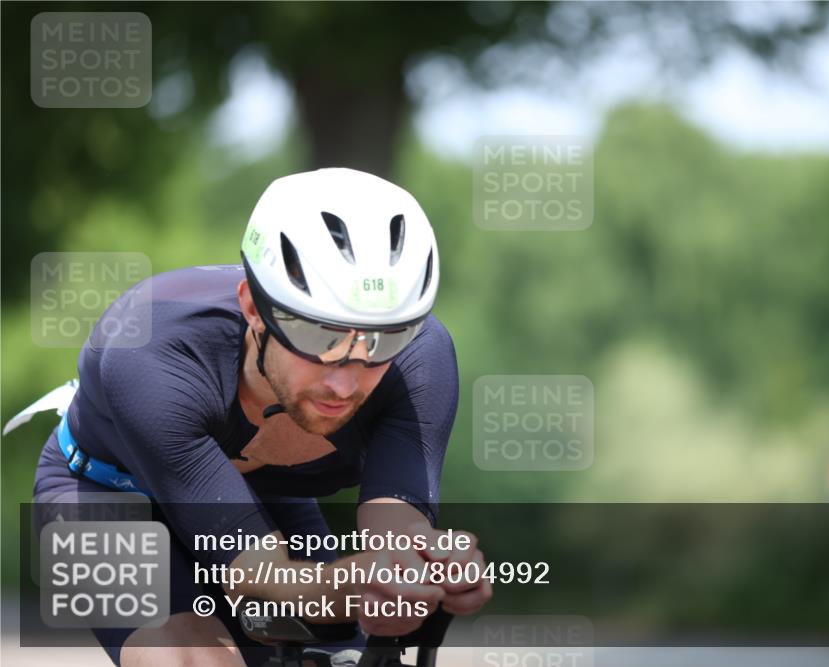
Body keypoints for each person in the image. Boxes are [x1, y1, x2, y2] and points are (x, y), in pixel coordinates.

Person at [12, 168, 492, 667]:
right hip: (100, 493)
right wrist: (353, 584)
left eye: (382, 341)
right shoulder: (152, 354)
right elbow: (259, 577)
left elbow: (396, 539)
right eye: (319, 337)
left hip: (257, 498)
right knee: (190, 659)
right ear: (253, 308)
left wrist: (424, 571)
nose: (345, 383)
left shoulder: (419, 359)